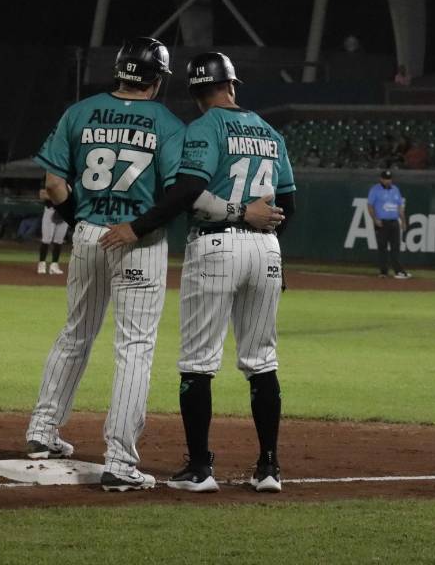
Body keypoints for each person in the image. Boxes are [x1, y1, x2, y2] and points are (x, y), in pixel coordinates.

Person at [26, 37, 283, 493]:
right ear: (159, 80)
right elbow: (180, 194)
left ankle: (43, 431)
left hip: (88, 234)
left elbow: (53, 184)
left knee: (76, 332)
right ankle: (120, 459)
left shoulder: (79, 112)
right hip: (141, 240)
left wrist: (83, 223)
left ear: (120, 71)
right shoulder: (168, 124)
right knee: (136, 347)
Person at [100, 51, 296, 494]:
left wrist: (139, 226)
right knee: (262, 361)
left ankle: (200, 468)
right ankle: (269, 467)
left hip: (216, 244)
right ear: (232, 84)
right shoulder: (269, 132)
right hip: (268, 249)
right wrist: (273, 249)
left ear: (193, 93)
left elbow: (188, 190)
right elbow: (290, 205)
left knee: (197, 363)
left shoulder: (205, 127)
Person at [367, 170, 410, 279]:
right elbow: (370, 206)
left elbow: (400, 207)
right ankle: (383, 272)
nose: (388, 181)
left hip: (394, 222)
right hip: (381, 222)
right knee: (382, 248)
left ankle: (398, 271)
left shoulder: (396, 189)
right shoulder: (375, 190)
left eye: (389, 178)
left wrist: (403, 221)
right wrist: (375, 219)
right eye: (386, 179)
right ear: (381, 179)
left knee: (396, 247)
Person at [36, 187, 68, 274]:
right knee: (46, 239)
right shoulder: (48, 176)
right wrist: (62, 195)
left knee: (59, 240)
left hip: (65, 212)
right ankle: (42, 264)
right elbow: (42, 195)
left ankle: (54, 265)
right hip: (50, 210)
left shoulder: (70, 179)